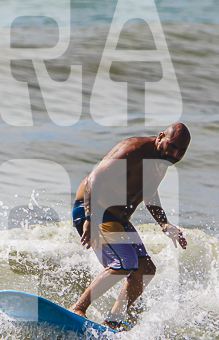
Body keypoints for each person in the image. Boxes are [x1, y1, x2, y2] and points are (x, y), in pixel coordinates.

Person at [69, 123, 190, 328]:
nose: (175, 154)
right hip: (95, 211)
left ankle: (112, 322)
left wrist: (164, 223)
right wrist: (90, 217)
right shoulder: (134, 150)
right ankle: (78, 308)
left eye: (181, 151)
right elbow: (94, 178)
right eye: (172, 146)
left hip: (117, 220)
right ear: (161, 137)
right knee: (124, 263)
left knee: (146, 269)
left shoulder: (162, 162)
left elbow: (149, 193)